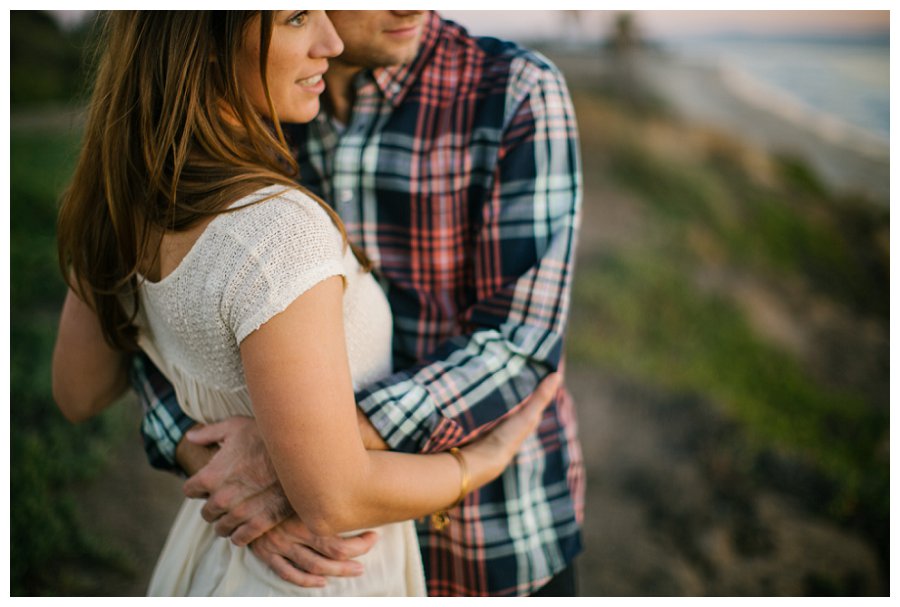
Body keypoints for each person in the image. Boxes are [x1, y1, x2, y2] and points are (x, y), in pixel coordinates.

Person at [51, 10, 556, 597]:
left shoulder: (122, 196)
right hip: (323, 568)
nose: (329, 40)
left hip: (468, 542)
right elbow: (335, 495)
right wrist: (478, 464)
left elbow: (82, 387)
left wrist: (278, 453)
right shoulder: (279, 230)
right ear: (205, 48)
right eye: (297, 16)